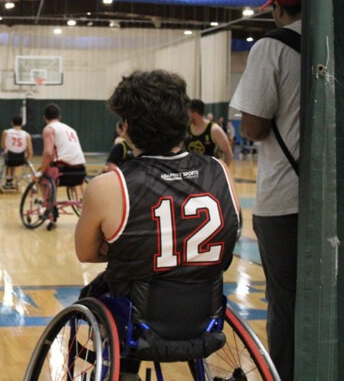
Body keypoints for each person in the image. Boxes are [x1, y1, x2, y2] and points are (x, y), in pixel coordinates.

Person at [75, 70, 240, 379]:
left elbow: (86, 253)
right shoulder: (221, 172)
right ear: (184, 122)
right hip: (206, 314)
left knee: (101, 290)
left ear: (126, 128)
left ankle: (123, 372)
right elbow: (231, 238)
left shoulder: (109, 186)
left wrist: (138, 249)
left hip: (139, 320)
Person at [229, 0, 302, 381]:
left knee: (286, 303)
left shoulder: (272, 47)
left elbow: (253, 127)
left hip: (285, 199)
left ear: (277, 6)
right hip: (330, 197)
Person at [36, 103, 86, 227]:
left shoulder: (49, 129)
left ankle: (50, 208)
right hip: (81, 171)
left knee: (42, 176)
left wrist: (41, 171)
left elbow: (48, 153)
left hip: (63, 172)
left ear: (44, 117)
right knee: (50, 169)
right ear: (59, 116)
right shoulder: (70, 129)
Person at [185, 99, 234, 166]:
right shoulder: (187, 128)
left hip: (209, 173)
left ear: (195, 114)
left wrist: (221, 173)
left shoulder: (214, 130)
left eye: (188, 113)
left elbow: (228, 154)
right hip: (191, 173)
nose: (186, 115)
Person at [0, 114, 33, 189]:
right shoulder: (27, 135)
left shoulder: (5, 132)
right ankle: (10, 180)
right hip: (21, 160)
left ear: (12, 122)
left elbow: (3, 146)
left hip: (9, 159)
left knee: (8, 155)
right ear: (22, 123)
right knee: (15, 156)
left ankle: (8, 181)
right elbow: (30, 152)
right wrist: (26, 160)